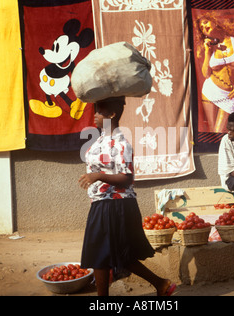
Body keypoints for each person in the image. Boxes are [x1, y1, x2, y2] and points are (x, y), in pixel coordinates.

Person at [78, 96, 176, 296]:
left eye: (99, 111)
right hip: (101, 202)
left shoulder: (121, 143)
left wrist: (97, 175)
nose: (95, 116)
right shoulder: (101, 139)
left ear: (112, 114)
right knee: (107, 254)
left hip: (116, 204)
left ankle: (160, 284)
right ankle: (160, 284)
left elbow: (126, 178)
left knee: (108, 254)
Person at [194, 12, 234, 133]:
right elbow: (206, 74)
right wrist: (207, 51)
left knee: (220, 131)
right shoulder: (208, 47)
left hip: (230, 94)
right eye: (201, 27)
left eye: (205, 22)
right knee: (213, 132)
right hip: (210, 90)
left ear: (215, 22)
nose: (204, 27)